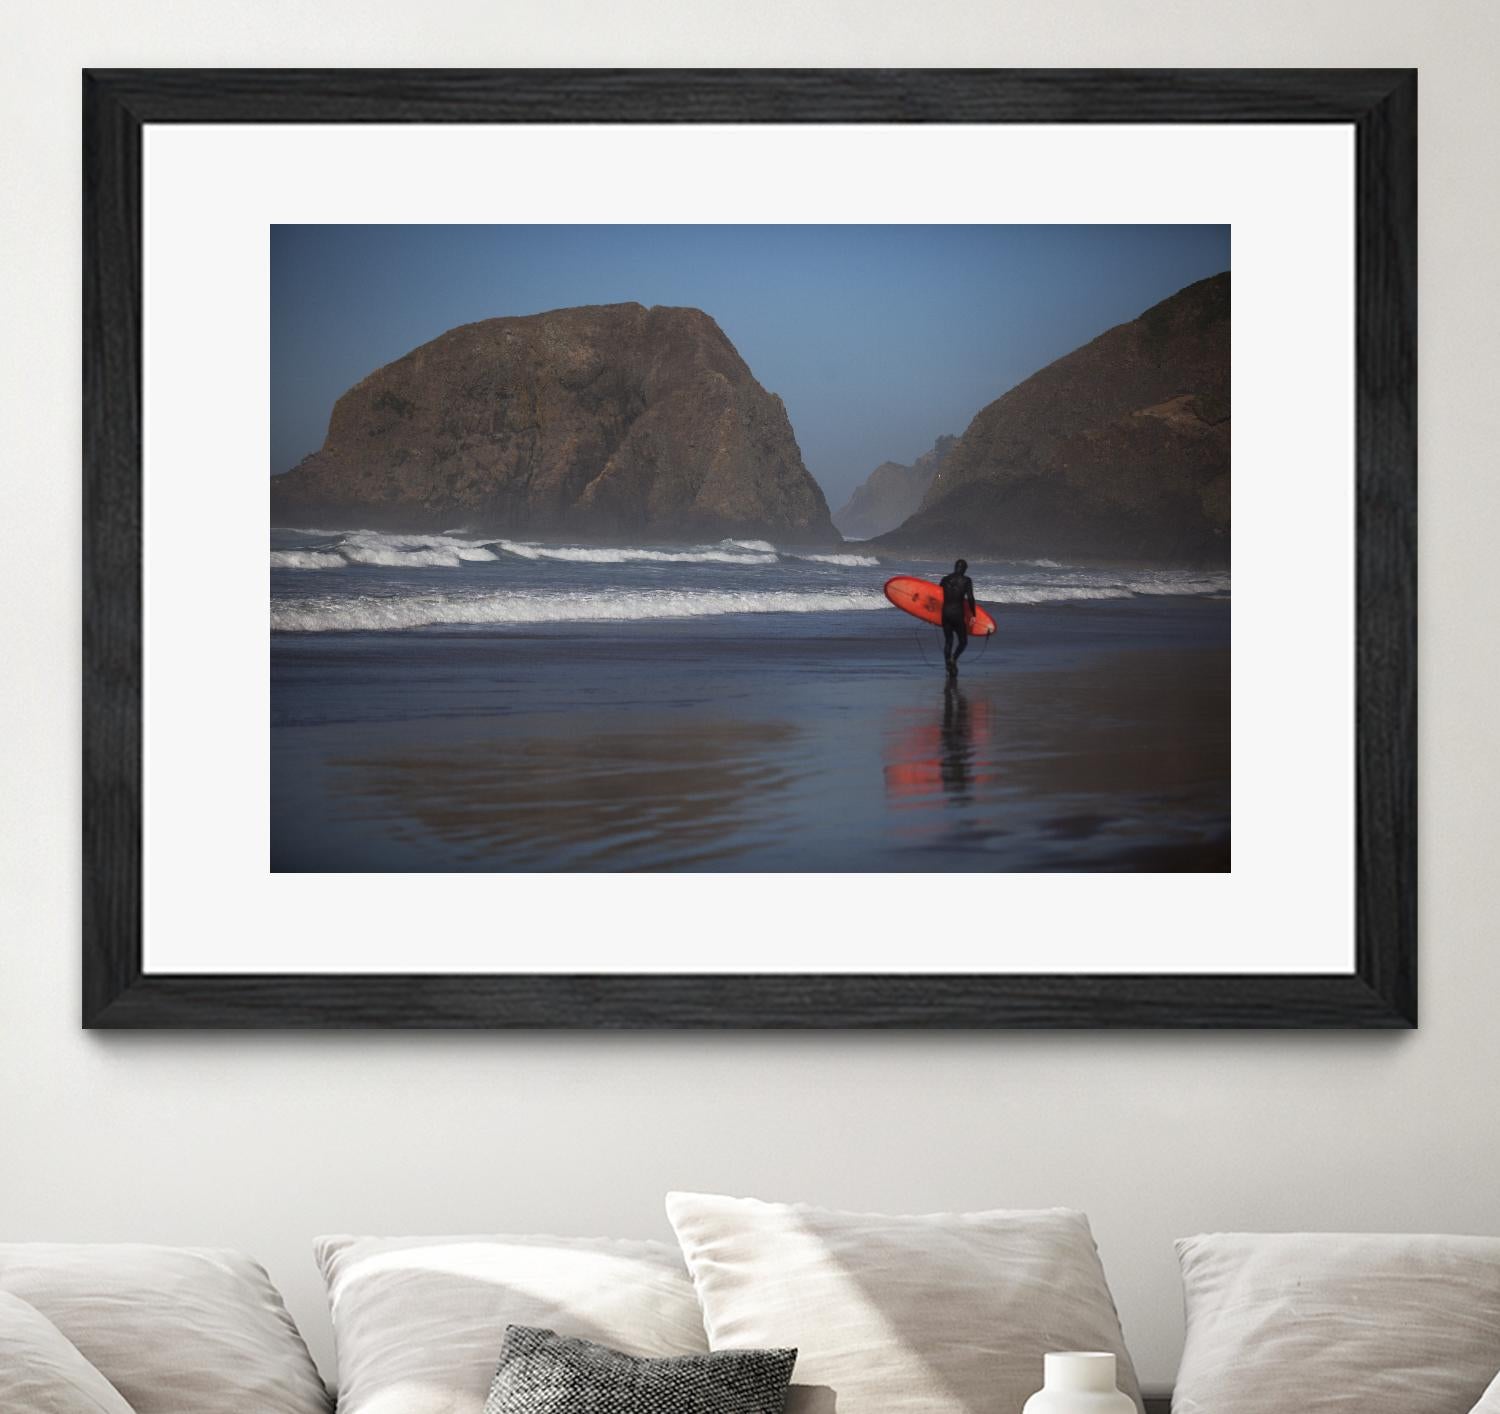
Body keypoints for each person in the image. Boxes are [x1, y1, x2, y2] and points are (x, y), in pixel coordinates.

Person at [939, 558, 977, 677]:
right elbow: (970, 598)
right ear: (964, 569)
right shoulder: (966, 580)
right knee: (963, 641)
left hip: (945, 614)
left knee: (948, 641)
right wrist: (973, 614)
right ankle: (953, 659)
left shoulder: (945, 580)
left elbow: (935, 595)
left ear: (955, 567)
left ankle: (948, 666)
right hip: (957, 614)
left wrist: (930, 615)